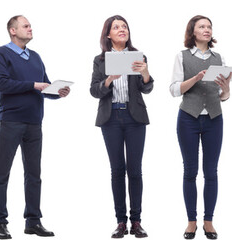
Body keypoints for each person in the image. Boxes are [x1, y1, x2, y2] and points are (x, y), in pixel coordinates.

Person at [0, 15, 70, 240]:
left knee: (34, 174)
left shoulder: (35, 57)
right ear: (13, 31)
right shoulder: (1, 53)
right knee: (2, 173)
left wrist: (57, 92)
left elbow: (44, 87)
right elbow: (2, 84)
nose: (30, 28)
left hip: (35, 122)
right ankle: (0, 223)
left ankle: (33, 221)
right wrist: (34, 85)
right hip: (10, 122)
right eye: (25, 26)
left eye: (30, 26)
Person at [89, 15, 152, 239]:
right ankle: (120, 222)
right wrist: (108, 79)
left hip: (135, 117)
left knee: (135, 170)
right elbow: (94, 91)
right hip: (111, 117)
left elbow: (147, 88)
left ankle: (136, 222)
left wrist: (144, 73)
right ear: (108, 34)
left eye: (124, 26)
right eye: (116, 27)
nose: (121, 30)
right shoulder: (100, 60)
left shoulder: (139, 56)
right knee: (117, 171)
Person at [170, 15, 230, 240]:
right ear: (192, 32)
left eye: (209, 26)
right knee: (190, 171)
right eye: (202, 26)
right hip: (188, 118)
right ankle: (191, 222)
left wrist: (226, 89)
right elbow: (174, 89)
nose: (207, 30)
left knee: (211, 172)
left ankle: (209, 222)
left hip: (214, 118)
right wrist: (195, 78)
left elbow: (223, 96)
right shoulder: (182, 56)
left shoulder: (219, 57)